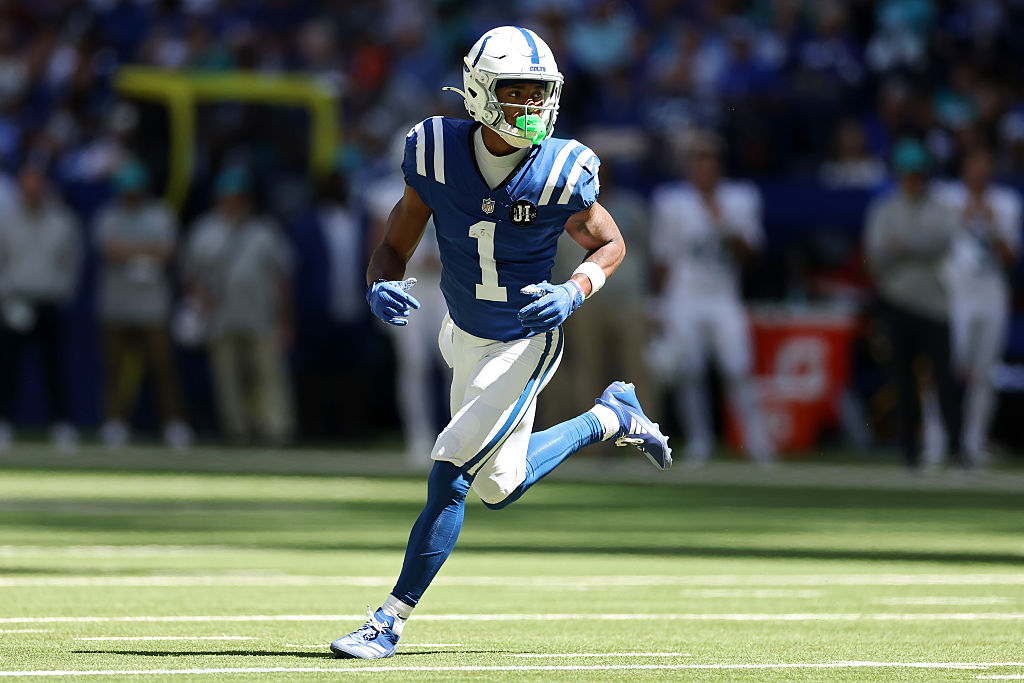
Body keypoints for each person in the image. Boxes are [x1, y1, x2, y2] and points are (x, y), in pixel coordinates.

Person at [329, 26, 671, 660]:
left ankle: (388, 620)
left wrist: (575, 289)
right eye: (515, 93)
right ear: (480, 94)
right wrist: (379, 281)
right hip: (462, 334)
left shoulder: (563, 169)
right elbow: (396, 241)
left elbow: (611, 242)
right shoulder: (434, 151)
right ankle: (609, 417)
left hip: (525, 340)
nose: (530, 108)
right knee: (499, 485)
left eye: (539, 93)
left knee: (452, 470)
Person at [649, 130, 774, 465]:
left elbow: (751, 255)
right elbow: (663, 258)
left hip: (724, 295)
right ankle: (700, 441)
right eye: (698, 162)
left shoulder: (741, 198)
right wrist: (658, 305)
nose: (704, 169)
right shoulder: (671, 201)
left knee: (738, 368)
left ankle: (756, 442)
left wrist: (725, 223)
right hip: (684, 295)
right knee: (690, 370)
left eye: (710, 162)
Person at [864, 138, 964, 469]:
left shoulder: (941, 208)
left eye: (918, 173)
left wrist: (903, 245)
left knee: (945, 379)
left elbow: (942, 240)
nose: (913, 180)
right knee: (902, 380)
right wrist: (913, 246)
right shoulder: (885, 208)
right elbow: (876, 254)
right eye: (908, 174)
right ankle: (910, 451)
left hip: (935, 303)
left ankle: (957, 449)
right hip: (897, 301)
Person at [182, 166, 295, 445]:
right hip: (219, 316)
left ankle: (275, 429)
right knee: (227, 377)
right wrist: (199, 299)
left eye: (238, 196)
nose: (233, 201)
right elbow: (189, 276)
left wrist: (285, 319)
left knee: (268, 374)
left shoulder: (265, 231)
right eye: (228, 196)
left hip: (261, 315)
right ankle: (237, 430)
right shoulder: (203, 231)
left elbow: (282, 277)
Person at [926, 147, 1021, 463]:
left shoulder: (1006, 202)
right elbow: (931, 243)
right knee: (947, 367)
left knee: (984, 372)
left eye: (985, 162)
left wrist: (992, 226)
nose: (980, 169)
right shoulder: (944, 196)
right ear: (964, 166)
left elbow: (1010, 259)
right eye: (974, 161)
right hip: (954, 295)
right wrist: (961, 218)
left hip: (992, 296)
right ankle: (935, 441)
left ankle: (973, 442)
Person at [364, 132, 450, 467]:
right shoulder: (385, 193)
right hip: (408, 285)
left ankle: (455, 438)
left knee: (454, 362)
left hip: (445, 284)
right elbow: (377, 247)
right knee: (413, 364)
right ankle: (418, 439)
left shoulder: (448, 187)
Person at [95, 159, 192, 449]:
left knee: (162, 367)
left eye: (135, 191)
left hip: (153, 307)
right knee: (114, 367)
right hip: (117, 305)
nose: (131, 196)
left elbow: (166, 252)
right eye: (127, 191)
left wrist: (130, 250)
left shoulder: (160, 215)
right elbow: (110, 250)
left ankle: (174, 424)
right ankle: (114, 422)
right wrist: (145, 250)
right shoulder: (108, 215)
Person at [0, 162, 82, 451]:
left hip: (50, 301)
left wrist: (63, 294)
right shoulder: (7, 220)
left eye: (37, 185)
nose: (32, 191)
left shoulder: (62, 220)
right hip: (16, 302)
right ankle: (4, 423)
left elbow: (72, 262)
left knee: (54, 367)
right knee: (9, 366)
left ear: (44, 187)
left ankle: (62, 424)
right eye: (27, 185)